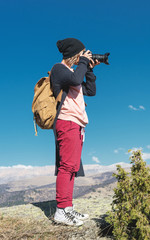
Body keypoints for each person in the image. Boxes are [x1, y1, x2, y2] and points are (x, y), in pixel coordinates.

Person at [50, 38, 99, 226]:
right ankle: (61, 211)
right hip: (66, 121)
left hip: (77, 124)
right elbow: (76, 79)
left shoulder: (73, 72)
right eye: (82, 54)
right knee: (66, 167)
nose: (84, 57)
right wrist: (84, 64)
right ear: (75, 55)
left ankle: (68, 208)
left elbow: (90, 90)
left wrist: (90, 70)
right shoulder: (59, 69)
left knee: (72, 168)